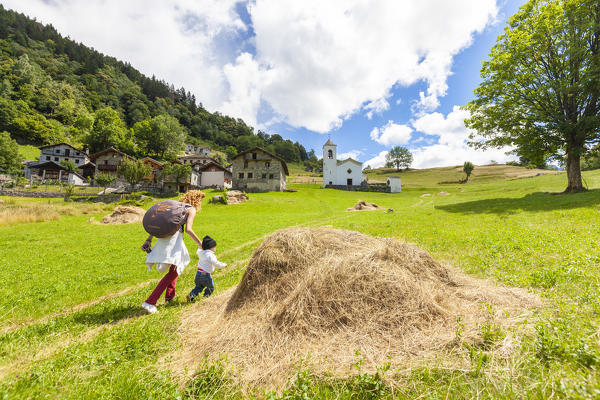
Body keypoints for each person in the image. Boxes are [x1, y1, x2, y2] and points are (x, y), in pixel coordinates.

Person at [141, 190, 205, 314]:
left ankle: (169, 297)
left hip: (163, 237)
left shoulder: (174, 205)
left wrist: (149, 240)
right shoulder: (191, 209)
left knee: (176, 266)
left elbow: (159, 221)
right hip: (174, 239)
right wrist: (200, 244)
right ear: (197, 200)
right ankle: (150, 302)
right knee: (176, 269)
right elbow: (188, 230)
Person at [187, 235, 227, 302]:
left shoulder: (201, 252)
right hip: (206, 275)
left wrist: (202, 246)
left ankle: (191, 295)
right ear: (210, 247)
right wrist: (224, 265)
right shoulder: (210, 255)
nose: (215, 248)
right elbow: (216, 264)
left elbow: (199, 249)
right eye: (214, 247)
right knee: (210, 288)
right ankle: (205, 298)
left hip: (198, 274)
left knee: (199, 287)